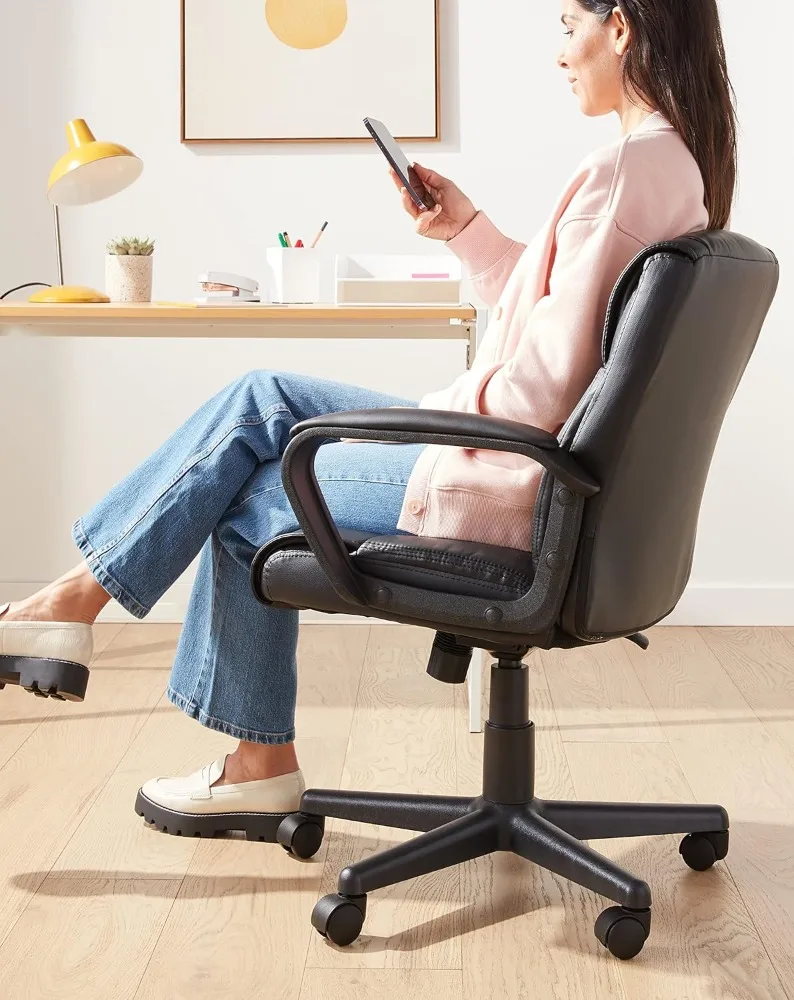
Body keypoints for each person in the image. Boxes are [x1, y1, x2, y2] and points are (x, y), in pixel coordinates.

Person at [0, 0, 736, 838]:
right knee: (262, 398)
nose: (561, 53)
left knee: (240, 499)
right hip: (533, 468)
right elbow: (554, 330)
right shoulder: (667, 165)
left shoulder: (626, 171)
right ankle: (76, 608)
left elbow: (542, 390)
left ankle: (244, 757)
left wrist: (427, 421)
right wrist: (465, 230)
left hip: (499, 478)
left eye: (568, 26)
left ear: (624, 28)